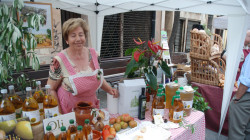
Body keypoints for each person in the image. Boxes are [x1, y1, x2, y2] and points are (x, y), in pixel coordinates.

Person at [47, 18, 118, 114]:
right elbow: (50, 89)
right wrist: (58, 114)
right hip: (69, 110)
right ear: (67, 40)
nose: (78, 39)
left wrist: (109, 89)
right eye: (73, 36)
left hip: (91, 107)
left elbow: (98, 76)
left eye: (81, 35)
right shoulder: (58, 61)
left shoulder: (94, 55)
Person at [228, 36, 250, 139]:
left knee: (236, 132)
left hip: (246, 96)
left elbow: (246, 81)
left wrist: (237, 98)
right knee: (247, 130)